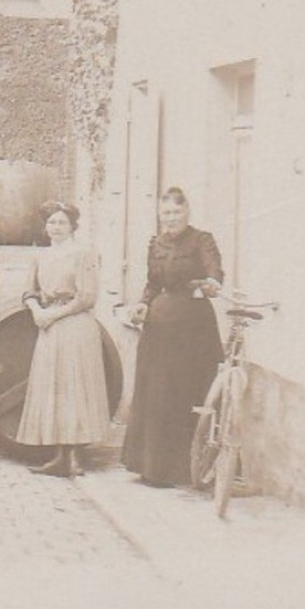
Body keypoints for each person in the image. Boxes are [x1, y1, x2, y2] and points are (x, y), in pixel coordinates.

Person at [121, 187, 225, 488]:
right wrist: (142, 303)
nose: (171, 218)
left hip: (192, 329)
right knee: (155, 393)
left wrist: (213, 283)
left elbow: (214, 270)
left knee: (182, 392)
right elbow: (152, 284)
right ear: (159, 215)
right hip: (158, 327)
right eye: (166, 213)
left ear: (187, 212)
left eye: (177, 212)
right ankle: (151, 468)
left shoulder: (202, 240)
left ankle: (182, 469)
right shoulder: (156, 243)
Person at [15, 202, 109, 477]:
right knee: (54, 388)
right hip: (48, 325)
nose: (56, 227)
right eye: (52, 222)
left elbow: (87, 297)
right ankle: (59, 456)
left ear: (72, 227)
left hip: (74, 324)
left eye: (62, 223)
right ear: (46, 227)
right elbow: (28, 291)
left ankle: (76, 456)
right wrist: (37, 312)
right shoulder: (40, 257)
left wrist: (54, 315)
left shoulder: (82, 254)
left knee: (75, 387)